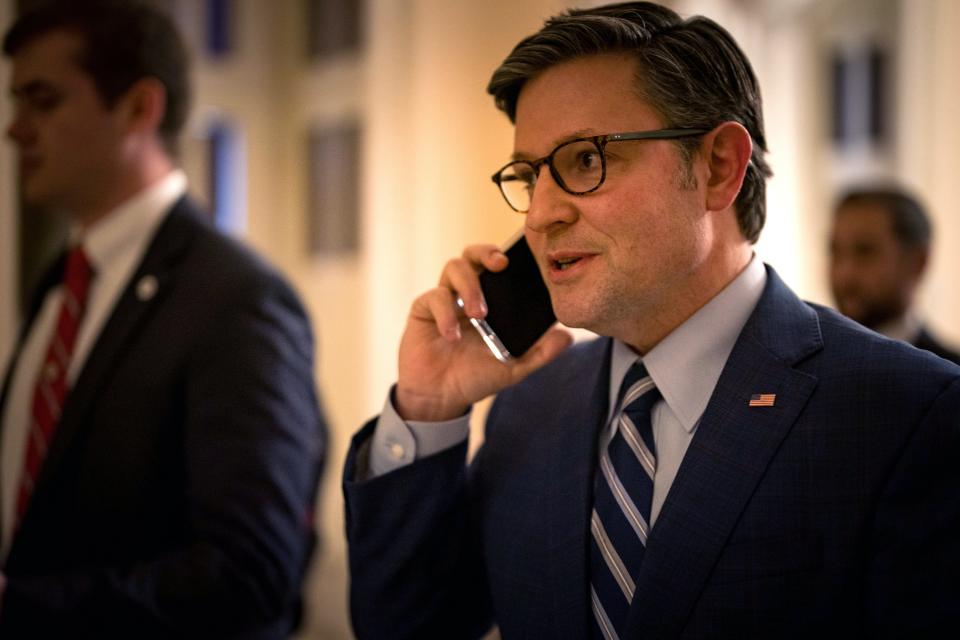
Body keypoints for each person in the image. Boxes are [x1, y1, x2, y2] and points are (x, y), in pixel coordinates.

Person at [343, 2, 960, 639]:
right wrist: (426, 408)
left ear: (719, 166)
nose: (539, 217)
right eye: (530, 178)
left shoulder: (906, 413)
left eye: (585, 160)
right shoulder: (530, 405)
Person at [0, 1, 326, 637]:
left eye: (42, 100)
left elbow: (249, 576)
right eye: (16, 103)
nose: (15, 129)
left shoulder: (238, 300)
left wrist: (19, 606)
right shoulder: (59, 285)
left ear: (138, 109)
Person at [829, 186, 960, 364]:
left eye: (865, 251)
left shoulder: (952, 376)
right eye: (835, 251)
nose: (845, 273)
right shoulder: (807, 366)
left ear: (918, 263)